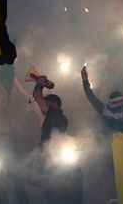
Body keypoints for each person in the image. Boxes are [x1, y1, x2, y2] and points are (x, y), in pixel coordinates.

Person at [11, 74, 82, 204]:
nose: (42, 104)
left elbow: (38, 98)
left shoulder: (56, 116)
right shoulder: (50, 118)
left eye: (46, 101)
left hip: (56, 168)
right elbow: (35, 100)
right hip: (50, 165)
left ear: (54, 104)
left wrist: (39, 84)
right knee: (18, 176)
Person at [81, 63, 123, 135]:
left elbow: (91, 97)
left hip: (108, 144)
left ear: (109, 101)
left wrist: (85, 81)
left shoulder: (104, 110)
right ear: (122, 101)